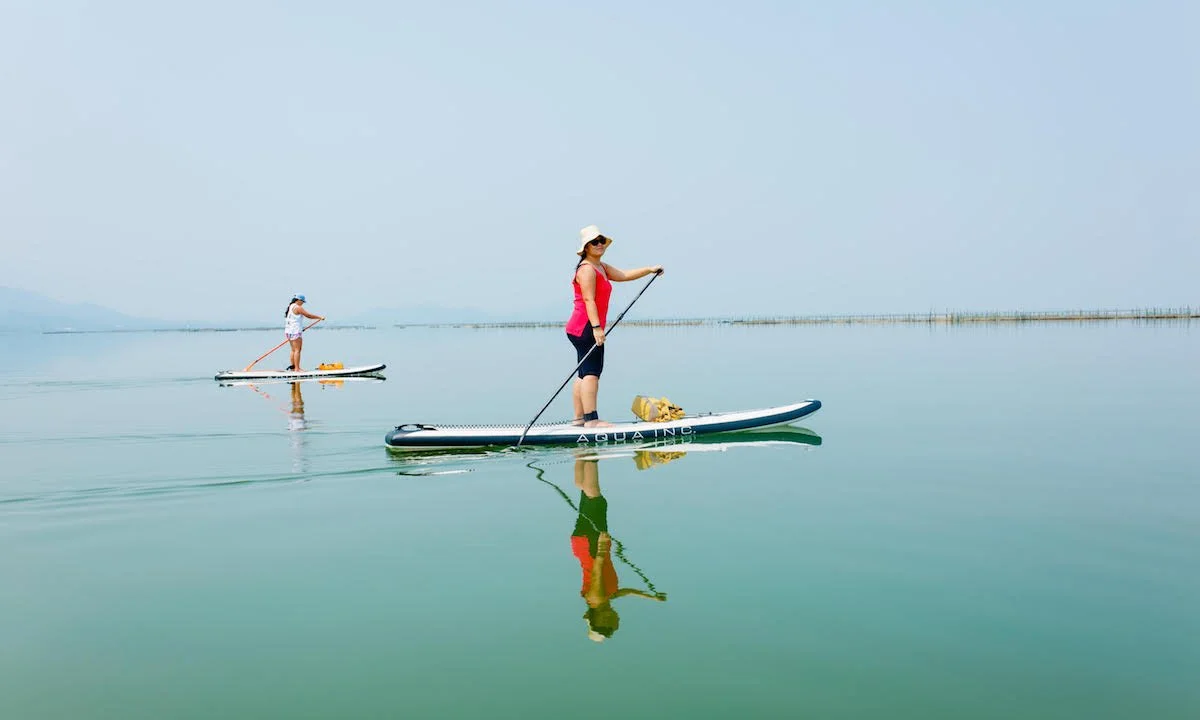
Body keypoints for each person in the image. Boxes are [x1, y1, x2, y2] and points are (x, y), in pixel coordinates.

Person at [566, 225, 663, 427]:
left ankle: (578, 418)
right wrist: (597, 328)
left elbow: (624, 275)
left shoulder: (601, 267)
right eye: (595, 242)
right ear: (586, 247)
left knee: (583, 372)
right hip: (586, 327)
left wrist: (649, 270)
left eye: (601, 240)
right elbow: (588, 300)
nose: (600, 244)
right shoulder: (587, 270)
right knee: (592, 372)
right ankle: (591, 420)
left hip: (580, 327)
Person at [570, 454, 666, 643]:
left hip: (592, 547)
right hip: (584, 545)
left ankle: (590, 451)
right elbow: (627, 591)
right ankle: (580, 445)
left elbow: (597, 572)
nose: (614, 620)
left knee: (594, 498)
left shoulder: (597, 599)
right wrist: (650, 597)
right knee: (586, 494)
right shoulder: (605, 599)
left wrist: (601, 548)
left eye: (608, 623)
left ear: (598, 619)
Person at [283, 294, 325, 372]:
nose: (302, 303)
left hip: (288, 330)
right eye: (302, 301)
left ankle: (293, 367)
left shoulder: (290, 306)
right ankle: (297, 368)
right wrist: (319, 317)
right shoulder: (298, 308)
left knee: (293, 350)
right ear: (298, 300)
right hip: (295, 331)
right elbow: (308, 315)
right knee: (297, 350)